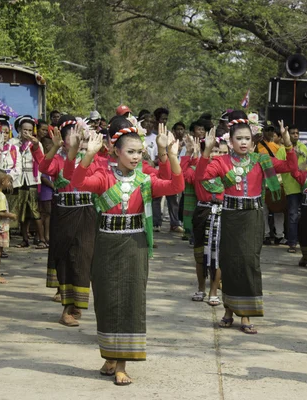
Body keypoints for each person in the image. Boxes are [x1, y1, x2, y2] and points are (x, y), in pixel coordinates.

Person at [71, 118, 185, 386]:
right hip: (106, 245)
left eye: (139, 152)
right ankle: (110, 356)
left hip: (135, 245)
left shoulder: (146, 180)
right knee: (106, 301)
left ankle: (122, 364)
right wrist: (87, 154)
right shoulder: (104, 177)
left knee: (131, 301)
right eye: (130, 151)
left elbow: (177, 186)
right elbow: (78, 182)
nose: (136, 156)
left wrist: (170, 154)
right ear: (115, 151)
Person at [196, 111, 297, 334]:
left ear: (253, 141)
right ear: (230, 142)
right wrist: (206, 150)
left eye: (247, 139)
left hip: (252, 217)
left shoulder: (261, 160)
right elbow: (202, 177)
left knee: (250, 263)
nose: (243, 142)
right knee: (230, 263)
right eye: (238, 138)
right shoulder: (221, 161)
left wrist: (288, 144)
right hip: (231, 216)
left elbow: (290, 166)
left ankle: (247, 314)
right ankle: (229, 310)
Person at [30, 115, 98, 326]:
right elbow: (43, 168)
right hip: (63, 212)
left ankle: (75, 305)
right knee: (66, 257)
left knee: (83, 256)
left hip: (86, 212)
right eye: (75, 137)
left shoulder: (92, 160)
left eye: (83, 138)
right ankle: (67, 307)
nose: (80, 141)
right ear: (64, 139)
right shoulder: (59, 159)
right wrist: (54, 147)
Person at [186, 136, 228, 304]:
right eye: (211, 150)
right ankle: (201, 288)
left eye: (218, 151)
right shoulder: (197, 169)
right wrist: (190, 153)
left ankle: (213, 291)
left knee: (218, 255)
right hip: (202, 211)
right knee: (199, 254)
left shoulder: (227, 170)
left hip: (222, 212)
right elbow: (183, 174)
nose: (215, 154)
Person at [14, 115, 47, 249]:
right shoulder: (13, 143)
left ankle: (42, 239)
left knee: (34, 210)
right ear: (19, 130)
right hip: (20, 179)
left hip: (32, 179)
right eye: (24, 130)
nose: (26, 132)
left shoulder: (36, 143)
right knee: (22, 210)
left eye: (29, 129)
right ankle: (25, 238)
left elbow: (41, 160)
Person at [276, 125, 307, 252]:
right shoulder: (282, 150)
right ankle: (292, 243)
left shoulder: (303, 147)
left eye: (297, 133)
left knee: (305, 216)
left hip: (304, 186)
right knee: (293, 216)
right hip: (291, 187)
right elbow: (280, 167)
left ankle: (304, 242)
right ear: (287, 135)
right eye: (293, 133)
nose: (295, 135)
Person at [0, 169, 16, 284]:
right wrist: (12, 215)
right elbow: (1, 212)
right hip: (1, 227)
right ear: (2, 181)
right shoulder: (1, 196)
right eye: (7, 181)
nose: (9, 183)